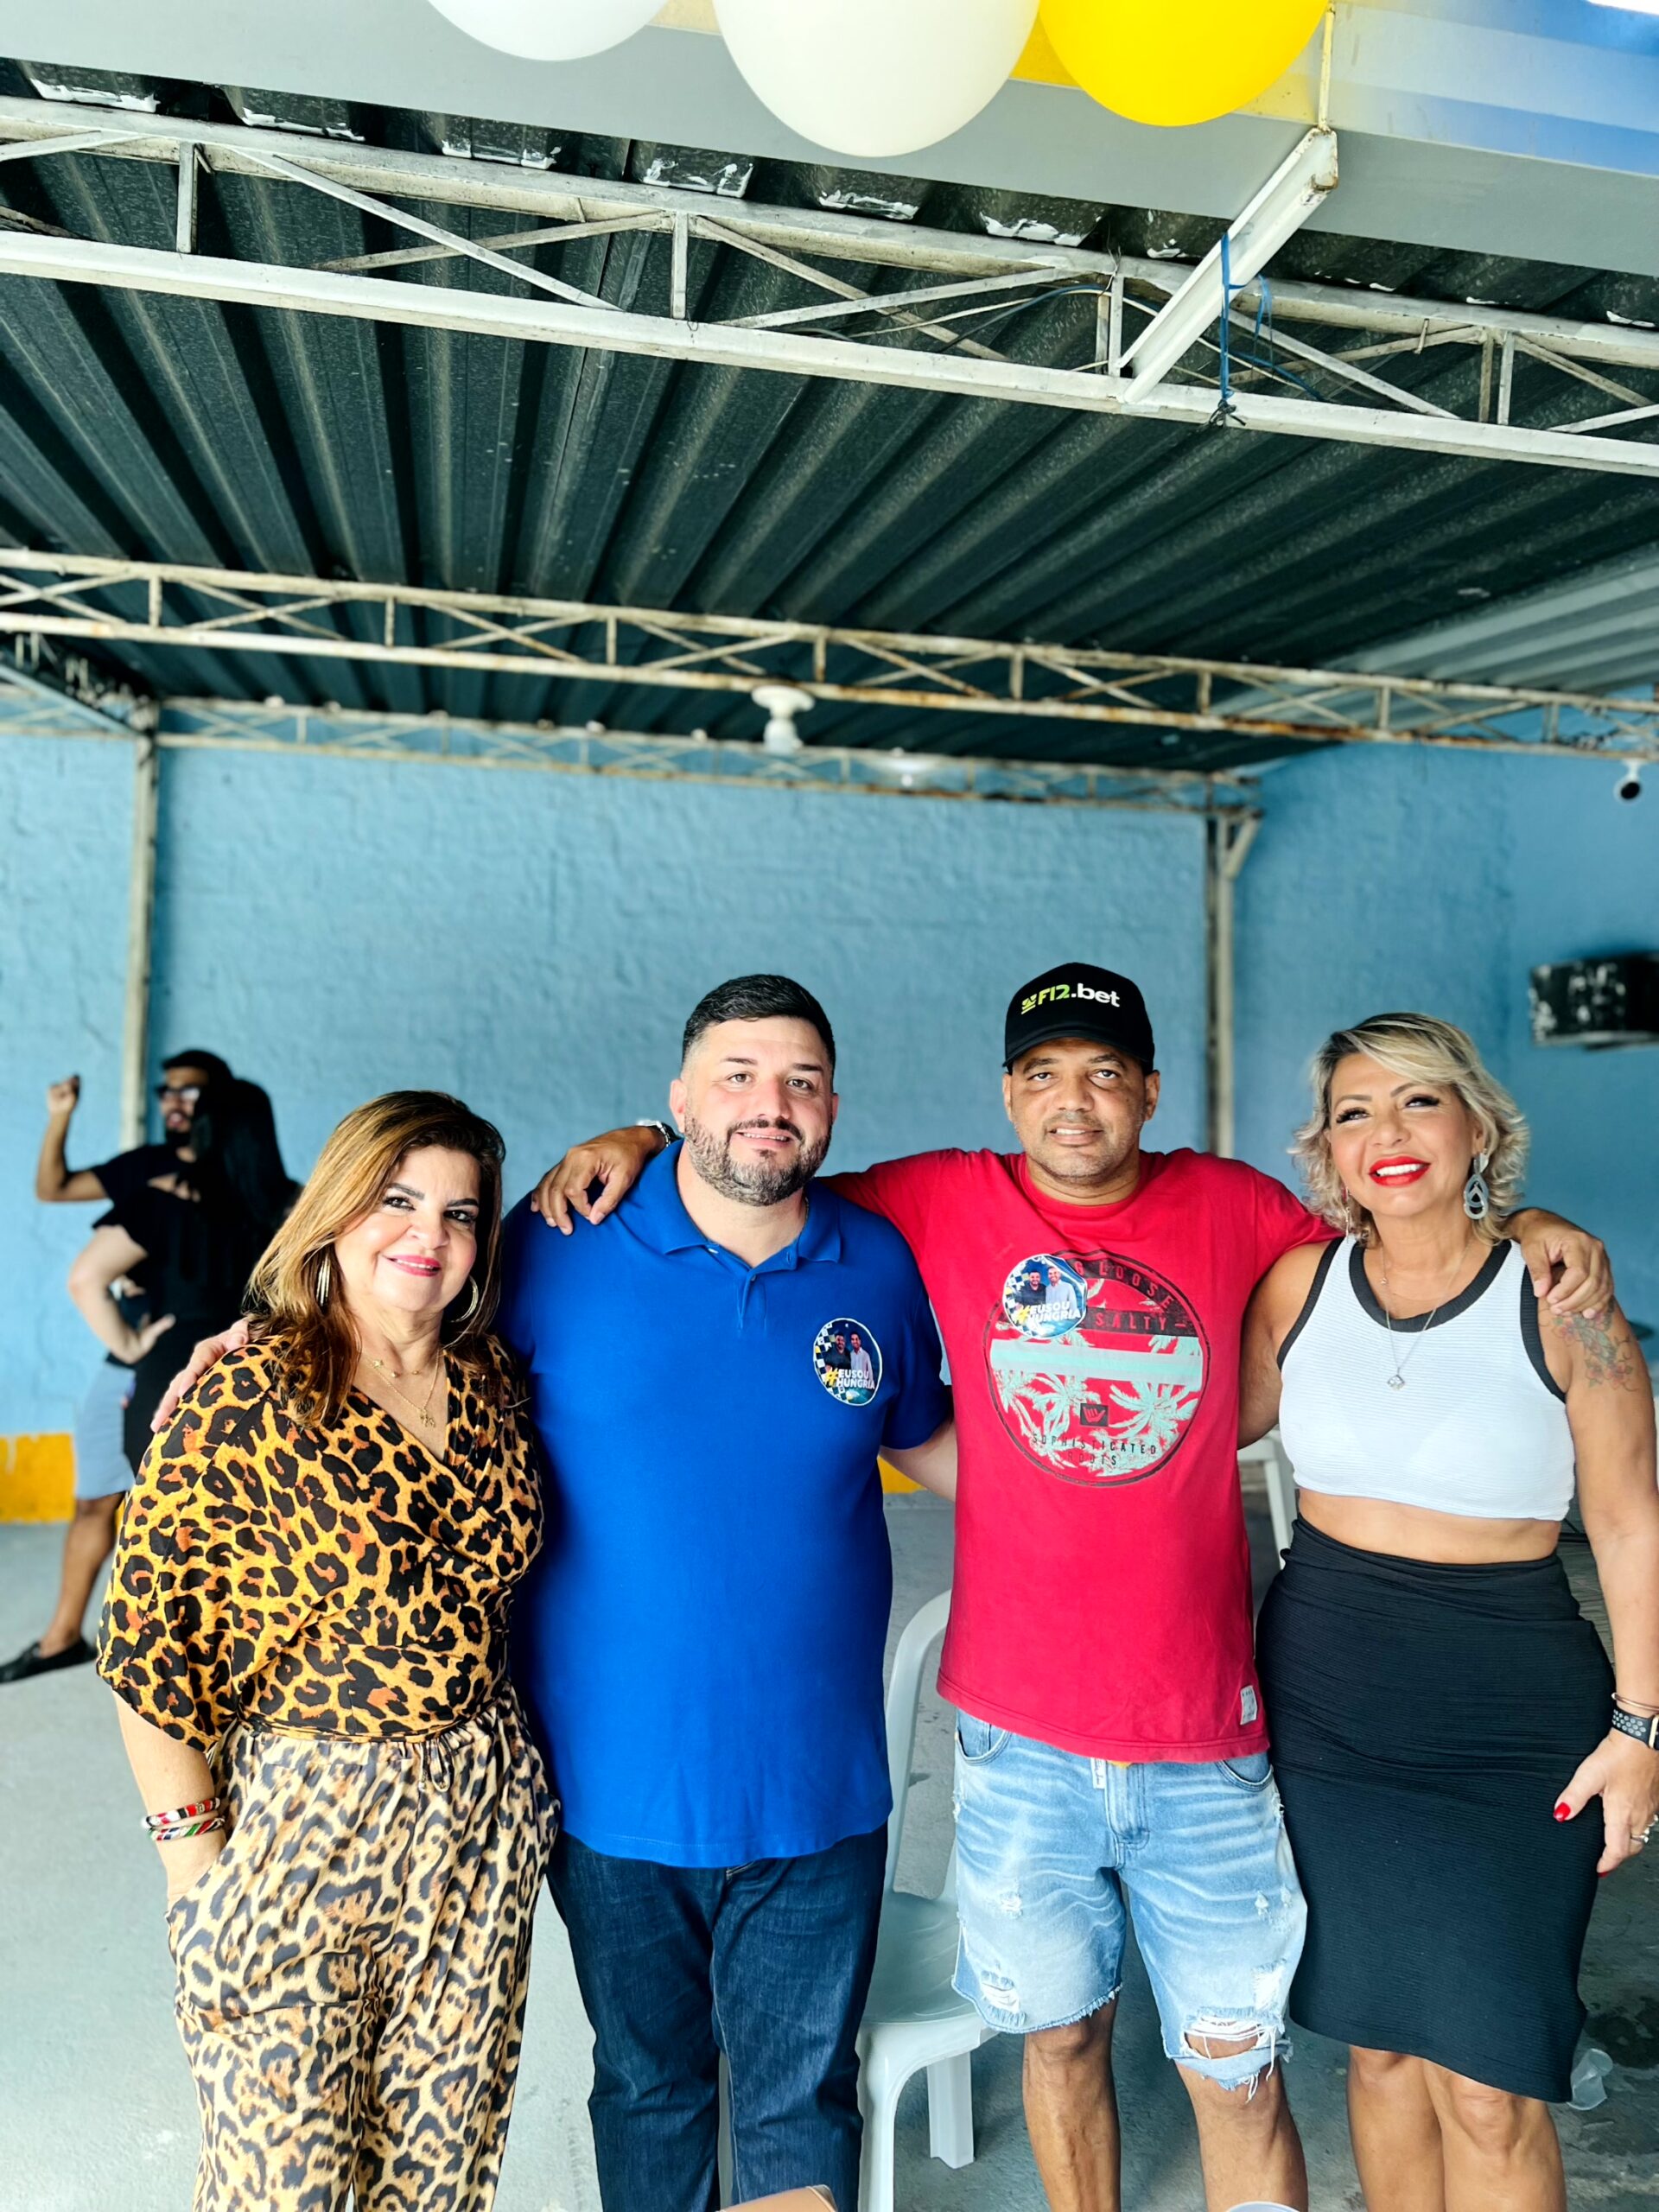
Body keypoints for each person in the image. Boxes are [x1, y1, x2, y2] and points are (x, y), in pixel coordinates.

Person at [532, 961, 1613, 2212]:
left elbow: (1406, 1229)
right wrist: (634, 1138)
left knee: (1237, 2073)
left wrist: (1529, 1227)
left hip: (1204, 1734)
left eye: (1105, 1074)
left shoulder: (1236, 1207)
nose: (1074, 1101)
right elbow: (752, 1168)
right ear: (1008, 1094)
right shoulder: (932, 1197)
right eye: (1044, 1074)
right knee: (1053, 2045)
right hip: (1016, 1739)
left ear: (1150, 1090)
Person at [98, 1091, 553, 2212]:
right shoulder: (250, 1393)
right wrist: (195, 1872)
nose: (427, 1234)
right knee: (282, 2182)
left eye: (459, 1212)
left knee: (440, 2171)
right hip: (305, 1823)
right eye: (397, 1200)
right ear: (336, 1212)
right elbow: (150, 1642)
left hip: (478, 1825)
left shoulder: (495, 1382)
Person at [1243, 1014, 1659, 2212]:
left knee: (1489, 2082)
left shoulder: (1563, 1297)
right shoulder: (1297, 1289)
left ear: (1478, 1126)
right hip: (1328, 1707)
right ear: (1327, 1149)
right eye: (1355, 1111)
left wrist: (1640, 1731)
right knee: (1377, 2049)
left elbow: (1629, 1520)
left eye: (1419, 1100)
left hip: (1509, 1714)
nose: (1389, 1130)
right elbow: (1190, 1430)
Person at [0, 1052, 232, 1685]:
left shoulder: (241, 1176)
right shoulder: (146, 1167)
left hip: (202, 1360)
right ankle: (61, 1638)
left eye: (191, 1092)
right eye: (168, 1091)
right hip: (133, 1360)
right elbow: (52, 1189)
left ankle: (179, 1662)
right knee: (95, 1500)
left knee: (189, 1522)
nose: (175, 1102)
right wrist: (60, 1117)